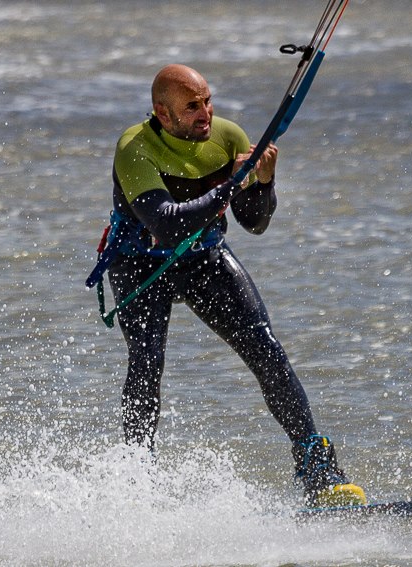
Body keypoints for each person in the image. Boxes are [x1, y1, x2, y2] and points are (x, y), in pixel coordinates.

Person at [99, 64, 365, 507]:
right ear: (163, 113)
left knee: (267, 350)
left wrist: (264, 180)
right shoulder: (135, 148)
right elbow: (167, 225)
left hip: (204, 259)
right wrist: (229, 184)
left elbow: (253, 223)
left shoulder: (228, 137)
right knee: (146, 363)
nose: (205, 114)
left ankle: (319, 473)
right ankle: (136, 480)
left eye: (207, 101)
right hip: (141, 266)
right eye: (191, 107)